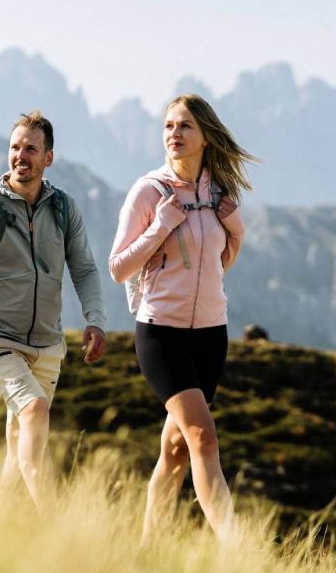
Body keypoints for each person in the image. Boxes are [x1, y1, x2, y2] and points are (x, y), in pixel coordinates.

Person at [109, 94, 255, 542]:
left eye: (185, 126)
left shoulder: (217, 194)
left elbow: (220, 259)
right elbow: (118, 267)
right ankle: (239, 554)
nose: (174, 133)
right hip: (161, 335)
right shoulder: (149, 192)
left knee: (175, 450)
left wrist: (237, 229)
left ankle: (149, 547)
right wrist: (160, 226)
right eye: (169, 125)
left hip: (211, 335)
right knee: (203, 438)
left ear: (206, 136)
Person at [0, 110, 107, 513]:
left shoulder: (63, 208)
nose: (21, 156)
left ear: (48, 158)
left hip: (48, 347)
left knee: (20, 438)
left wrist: (95, 320)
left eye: (31, 149)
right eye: (15, 148)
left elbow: (85, 268)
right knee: (34, 412)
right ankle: (53, 525)